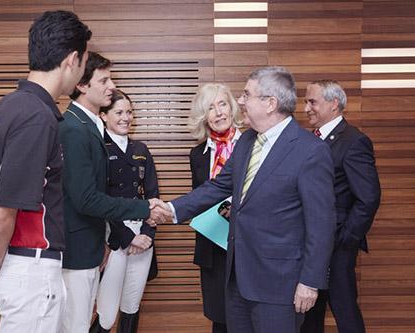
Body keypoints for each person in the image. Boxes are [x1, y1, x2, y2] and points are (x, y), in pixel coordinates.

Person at [162, 66, 337, 333]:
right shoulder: (246, 143)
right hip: (238, 281)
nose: (240, 101)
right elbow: (218, 187)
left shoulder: (310, 151)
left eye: (247, 95)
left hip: (280, 286)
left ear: (270, 103)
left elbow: (321, 224)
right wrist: (171, 209)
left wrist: (310, 282)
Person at [0, 10, 92, 333]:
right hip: (32, 272)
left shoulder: (3, 109)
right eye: (84, 62)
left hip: (12, 268)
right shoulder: (37, 117)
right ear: (72, 60)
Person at [60, 52, 170, 333]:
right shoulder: (74, 128)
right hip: (87, 245)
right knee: (87, 321)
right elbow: (87, 198)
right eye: (105, 80)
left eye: (129, 112)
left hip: (98, 244)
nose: (111, 86)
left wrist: (147, 227)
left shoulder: (90, 127)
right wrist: (143, 211)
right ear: (83, 85)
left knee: (101, 316)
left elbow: (148, 190)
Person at [301, 80, 381, 333]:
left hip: (337, 246)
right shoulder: (308, 141)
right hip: (310, 244)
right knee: (308, 314)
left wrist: (345, 240)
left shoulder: (354, 141)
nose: (306, 109)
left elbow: (368, 197)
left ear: (334, 104)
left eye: (312, 101)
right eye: (306, 102)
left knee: (344, 312)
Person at [94, 89, 159, 333]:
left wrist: (146, 235)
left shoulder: (141, 148)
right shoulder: (99, 148)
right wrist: (127, 237)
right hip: (113, 236)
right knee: (107, 313)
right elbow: (98, 200)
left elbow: (153, 197)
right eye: (119, 112)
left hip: (142, 236)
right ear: (103, 115)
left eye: (129, 112)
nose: (126, 117)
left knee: (132, 304)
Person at [188, 83, 243, 333]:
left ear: (232, 107)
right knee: (219, 318)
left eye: (222, 104)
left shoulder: (252, 146)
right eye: (211, 107)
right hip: (212, 244)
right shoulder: (197, 154)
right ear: (203, 115)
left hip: (247, 245)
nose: (219, 112)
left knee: (247, 316)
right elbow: (198, 199)